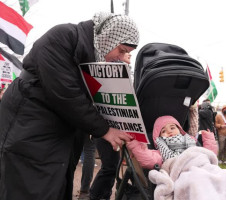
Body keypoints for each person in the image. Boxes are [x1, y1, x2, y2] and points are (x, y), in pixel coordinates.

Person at [0, 12, 137, 200]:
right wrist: (105, 130)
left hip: (58, 135)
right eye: (121, 50)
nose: (122, 57)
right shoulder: (63, 36)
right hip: (30, 127)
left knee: (54, 186)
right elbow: (66, 94)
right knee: (29, 187)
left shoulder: (94, 58)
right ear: (109, 36)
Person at [89, 50, 137, 200]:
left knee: (113, 166)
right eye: (125, 51)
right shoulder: (112, 70)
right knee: (110, 166)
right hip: (106, 127)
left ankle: (102, 194)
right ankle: (96, 195)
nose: (129, 54)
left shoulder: (127, 73)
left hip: (114, 127)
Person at [126, 115, 218, 168]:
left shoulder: (191, 140)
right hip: (183, 173)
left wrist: (209, 139)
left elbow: (209, 155)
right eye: (163, 131)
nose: (169, 131)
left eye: (172, 128)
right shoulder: (161, 150)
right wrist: (137, 146)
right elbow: (149, 160)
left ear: (180, 130)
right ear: (158, 137)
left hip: (201, 166)